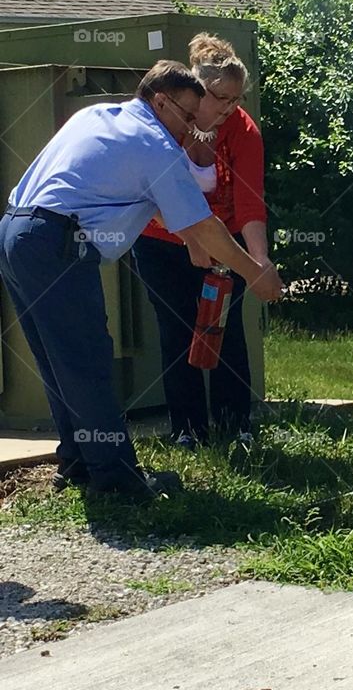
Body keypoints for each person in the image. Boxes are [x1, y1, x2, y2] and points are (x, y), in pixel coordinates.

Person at [0, 61, 284, 499]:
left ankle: (78, 462)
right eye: (187, 116)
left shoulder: (98, 116)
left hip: (16, 233)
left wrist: (188, 236)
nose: (190, 129)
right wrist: (255, 272)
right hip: (58, 245)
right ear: (160, 101)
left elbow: (134, 196)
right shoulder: (155, 143)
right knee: (88, 361)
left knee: (60, 363)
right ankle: (116, 479)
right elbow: (207, 225)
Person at [133, 33, 271, 448]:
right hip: (161, 239)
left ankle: (236, 426)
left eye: (236, 99)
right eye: (220, 98)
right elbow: (150, 194)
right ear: (196, 90)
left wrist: (259, 261)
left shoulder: (243, 131)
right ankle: (187, 431)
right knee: (176, 330)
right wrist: (190, 238)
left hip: (223, 242)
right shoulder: (170, 123)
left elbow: (249, 203)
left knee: (224, 328)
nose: (228, 108)